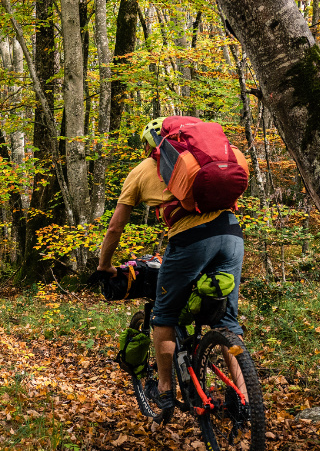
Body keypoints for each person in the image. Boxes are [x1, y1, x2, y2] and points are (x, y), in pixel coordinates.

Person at [97, 117, 246, 413]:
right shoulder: (222, 155)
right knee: (226, 321)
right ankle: (245, 396)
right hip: (231, 234)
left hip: (190, 240)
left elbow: (115, 227)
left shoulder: (141, 171)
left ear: (149, 145)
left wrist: (104, 265)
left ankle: (165, 390)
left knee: (164, 317)